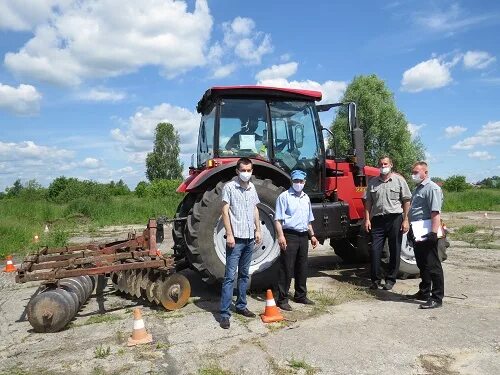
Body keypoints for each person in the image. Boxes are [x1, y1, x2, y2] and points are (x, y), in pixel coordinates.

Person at [219, 157, 262, 329]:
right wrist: (229, 234)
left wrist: (258, 229)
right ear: (237, 171)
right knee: (230, 277)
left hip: (249, 238)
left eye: (248, 170)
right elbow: (224, 211)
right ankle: (224, 314)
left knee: (244, 275)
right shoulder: (229, 187)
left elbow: (255, 209)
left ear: (252, 171)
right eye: (243, 170)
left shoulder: (252, 188)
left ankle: (241, 306)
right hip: (235, 239)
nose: (246, 173)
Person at [364, 156, 411, 290]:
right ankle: (375, 280)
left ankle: (390, 280)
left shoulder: (399, 180)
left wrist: (406, 219)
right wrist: (367, 219)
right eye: (381, 164)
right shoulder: (373, 182)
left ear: (391, 164)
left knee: (394, 249)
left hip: (395, 218)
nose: (383, 166)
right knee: (374, 250)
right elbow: (368, 202)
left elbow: (406, 200)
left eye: (385, 164)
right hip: (377, 220)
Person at [274, 169, 319, 311]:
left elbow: (308, 220)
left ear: (305, 182)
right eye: (296, 181)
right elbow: (278, 219)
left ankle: (300, 295)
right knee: (287, 267)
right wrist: (281, 236)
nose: (298, 183)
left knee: (302, 266)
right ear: (292, 181)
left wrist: (312, 235)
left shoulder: (306, 198)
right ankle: (282, 299)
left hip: (303, 235)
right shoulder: (284, 197)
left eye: (301, 181)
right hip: (290, 235)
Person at [407, 161, 444, 309]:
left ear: (425, 173)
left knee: (433, 264)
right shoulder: (418, 188)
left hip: (428, 230)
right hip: (418, 230)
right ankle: (424, 291)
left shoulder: (432, 188)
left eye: (416, 172)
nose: (413, 175)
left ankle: (437, 297)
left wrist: (433, 233)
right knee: (422, 263)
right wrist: (411, 229)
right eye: (413, 172)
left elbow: (435, 212)